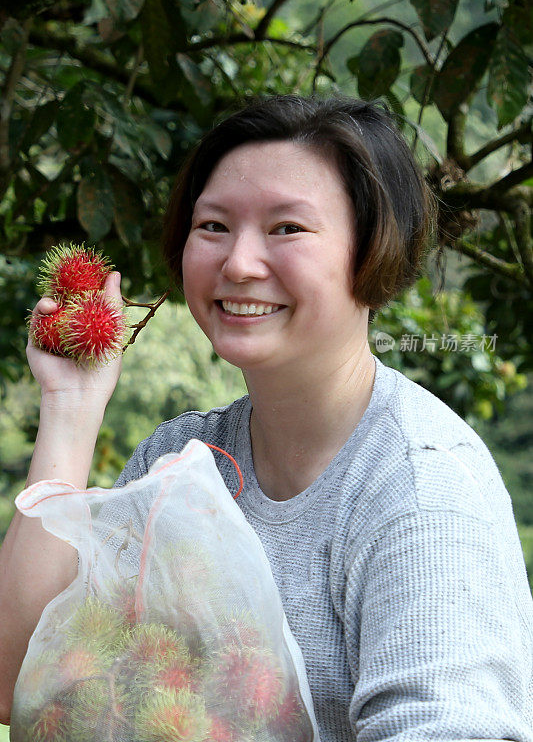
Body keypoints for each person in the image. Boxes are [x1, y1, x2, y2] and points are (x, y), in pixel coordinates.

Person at [0, 94, 532, 740]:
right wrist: (70, 409)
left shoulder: (422, 492)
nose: (239, 264)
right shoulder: (180, 462)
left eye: (287, 229)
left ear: (371, 252)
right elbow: (21, 679)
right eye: (213, 226)